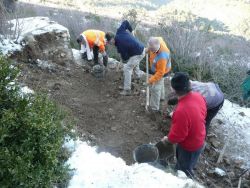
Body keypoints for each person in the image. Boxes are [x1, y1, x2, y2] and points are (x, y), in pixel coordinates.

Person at [162, 72, 206, 178]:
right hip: (199, 138)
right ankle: (180, 167)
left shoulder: (181, 111)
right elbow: (204, 113)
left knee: (184, 171)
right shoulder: (198, 96)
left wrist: (167, 140)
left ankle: (184, 178)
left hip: (190, 146)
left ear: (173, 89)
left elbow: (178, 136)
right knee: (185, 162)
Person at [107, 20, 145, 95]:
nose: (110, 44)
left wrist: (122, 54)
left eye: (109, 42)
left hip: (138, 53)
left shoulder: (120, 46)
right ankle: (137, 77)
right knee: (133, 61)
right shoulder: (119, 31)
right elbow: (126, 22)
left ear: (112, 39)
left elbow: (125, 58)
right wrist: (131, 30)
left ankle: (127, 90)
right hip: (140, 49)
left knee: (127, 68)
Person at [147, 37, 171, 112]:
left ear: (158, 45)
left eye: (153, 50)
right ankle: (161, 97)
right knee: (161, 84)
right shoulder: (157, 40)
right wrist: (148, 50)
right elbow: (159, 38)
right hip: (158, 68)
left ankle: (154, 108)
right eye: (151, 49)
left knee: (155, 89)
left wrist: (150, 80)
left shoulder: (162, 56)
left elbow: (160, 73)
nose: (152, 51)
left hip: (162, 72)